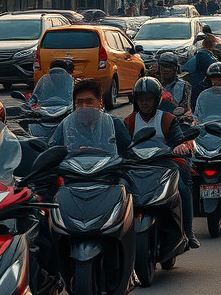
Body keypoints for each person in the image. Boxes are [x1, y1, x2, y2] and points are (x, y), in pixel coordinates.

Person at [124, 77, 198, 249]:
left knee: (183, 188)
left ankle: (188, 232)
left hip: (164, 164)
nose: (144, 103)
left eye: (148, 98)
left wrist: (180, 146)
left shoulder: (168, 119)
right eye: (141, 99)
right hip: (136, 167)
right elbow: (122, 144)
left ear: (156, 99)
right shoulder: (129, 121)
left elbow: (178, 140)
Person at [50, 79, 130, 153]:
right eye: (80, 102)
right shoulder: (65, 125)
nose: (84, 106)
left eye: (89, 101)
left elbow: (128, 154)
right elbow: (52, 153)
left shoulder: (115, 124)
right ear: (75, 104)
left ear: (100, 102)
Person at [182, 34, 219, 104]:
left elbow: (185, 69)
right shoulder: (210, 58)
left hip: (196, 88)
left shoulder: (198, 56)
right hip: (206, 88)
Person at [157, 52, 192, 116]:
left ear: (176, 68)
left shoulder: (184, 86)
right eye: (163, 66)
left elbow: (186, 108)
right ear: (159, 68)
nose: (166, 69)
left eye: (170, 66)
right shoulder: (154, 84)